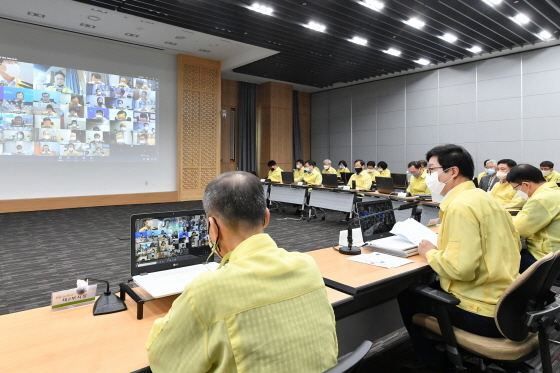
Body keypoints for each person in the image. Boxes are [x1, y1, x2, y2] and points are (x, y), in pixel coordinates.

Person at [146, 171, 338, 372]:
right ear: (266, 217)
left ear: (212, 226)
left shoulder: (207, 290)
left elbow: (161, 357)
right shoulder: (308, 266)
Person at [398, 144, 520, 370]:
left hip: (482, 310)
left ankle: (435, 365)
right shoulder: (483, 197)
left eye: (431, 170)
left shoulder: (460, 206)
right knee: (430, 286)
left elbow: (460, 269)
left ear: (452, 171)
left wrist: (430, 253)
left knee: (408, 296)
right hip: (506, 303)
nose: (428, 175)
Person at [507, 164, 560, 272]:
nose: (517, 192)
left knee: (505, 261)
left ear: (525, 184)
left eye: (516, 189)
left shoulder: (541, 199)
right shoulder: (554, 192)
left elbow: (517, 229)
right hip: (555, 253)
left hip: (548, 260)